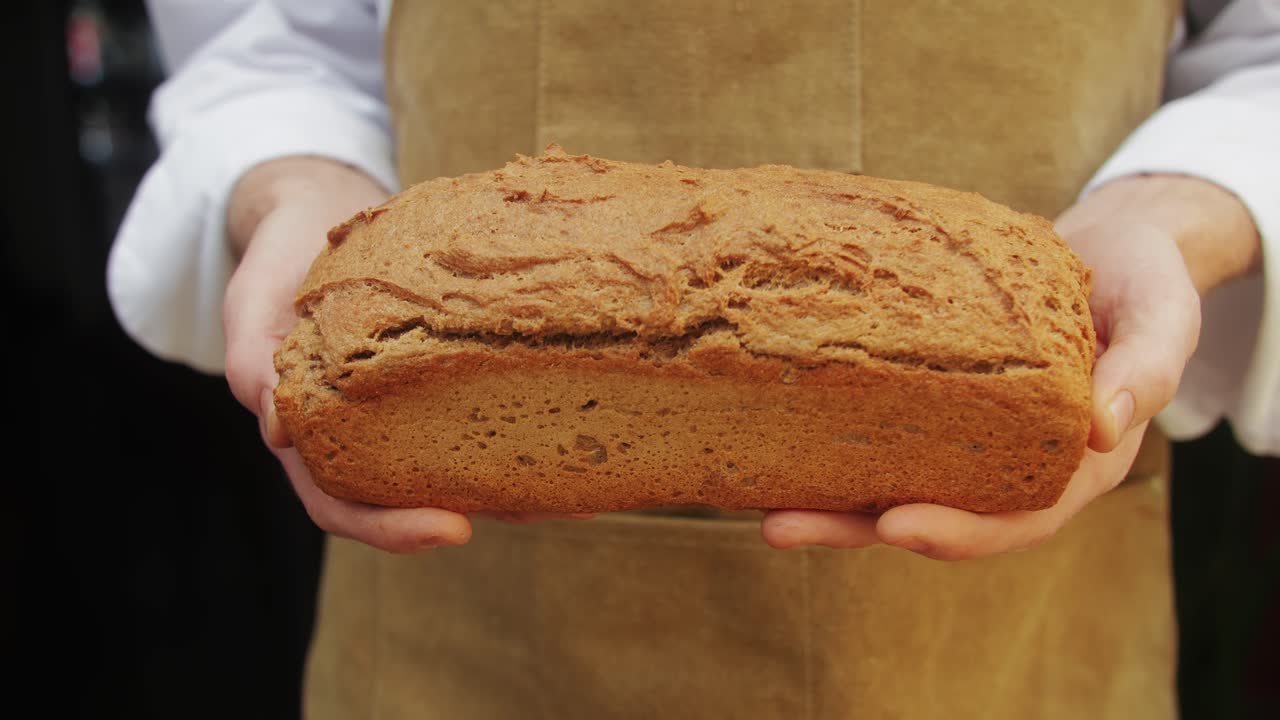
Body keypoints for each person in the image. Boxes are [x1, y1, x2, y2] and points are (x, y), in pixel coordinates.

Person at [111, 0, 1278, 717]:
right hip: (467, 643)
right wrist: (295, 173)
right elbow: (270, 42)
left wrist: (1180, 204)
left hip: (1005, 641)